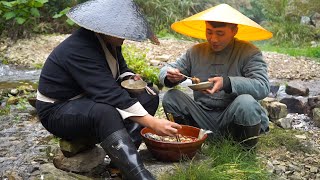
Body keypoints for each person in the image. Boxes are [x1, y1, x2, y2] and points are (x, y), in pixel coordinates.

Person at [35, 0, 181, 179]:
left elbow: (121, 69)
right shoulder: (79, 47)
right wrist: (153, 123)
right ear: (103, 27)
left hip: (87, 100)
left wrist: (130, 78)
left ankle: (119, 162)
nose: (124, 36)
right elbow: (109, 93)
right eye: (121, 32)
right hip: (58, 110)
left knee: (148, 96)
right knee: (105, 111)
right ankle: (137, 173)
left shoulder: (109, 42)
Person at [159, 4, 273, 149]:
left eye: (220, 33)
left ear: (234, 31)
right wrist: (171, 76)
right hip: (203, 115)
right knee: (171, 97)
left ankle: (244, 151)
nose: (213, 39)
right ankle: (189, 141)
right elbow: (166, 69)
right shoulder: (195, 52)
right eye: (209, 32)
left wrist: (227, 83)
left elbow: (262, 86)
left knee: (247, 103)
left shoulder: (249, 52)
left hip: (233, 115)